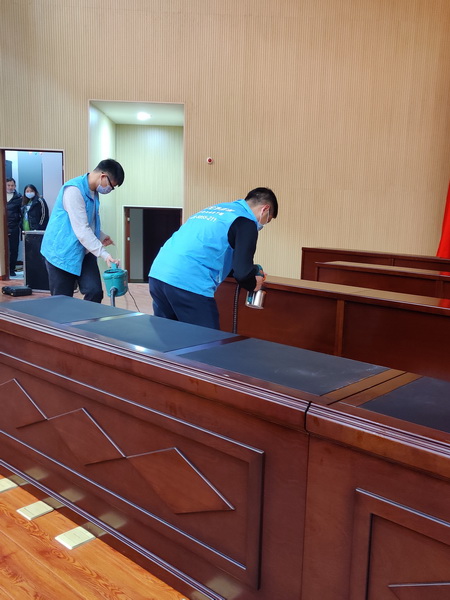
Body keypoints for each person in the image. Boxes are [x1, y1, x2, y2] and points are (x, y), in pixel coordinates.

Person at [149, 187, 278, 329]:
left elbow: (218, 255)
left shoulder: (218, 209)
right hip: (189, 282)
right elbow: (242, 273)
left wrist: (251, 271)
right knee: (207, 340)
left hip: (158, 275)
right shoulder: (246, 222)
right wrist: (253, 283)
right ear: (265, 209)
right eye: (267, 220)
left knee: (169, 336)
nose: (263, 224)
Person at [41, 158, 124, 303]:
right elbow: (81, 230)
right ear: (103, 176)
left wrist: (100, 235)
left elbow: (88, 223)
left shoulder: (94, 192)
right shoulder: (73, 191)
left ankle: (85, 319)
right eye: (111, 186)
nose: (110, 190)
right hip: (61, 252)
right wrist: (104, 255)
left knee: (94, 291)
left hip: (83, 250)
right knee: (62, 301)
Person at [6, 178, 22, 276]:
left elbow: (22, 213)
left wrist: (19, 224)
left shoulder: (19, 198)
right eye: (8, 185)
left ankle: (12, 269)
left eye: (12, 185)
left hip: (14, 227)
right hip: (2, 228)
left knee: (14, 249)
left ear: (15, 186)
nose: (10, 187)